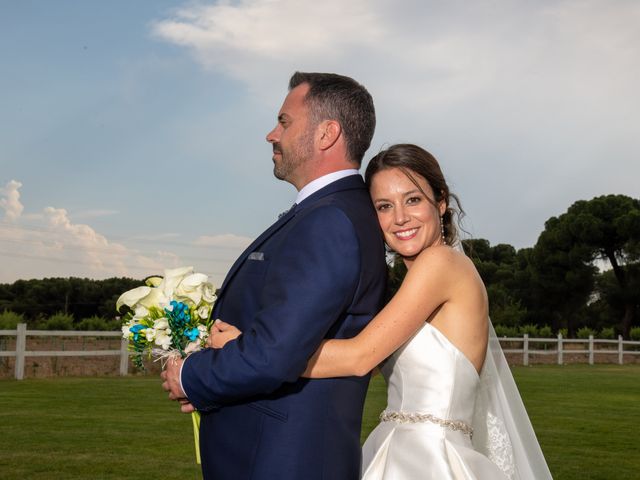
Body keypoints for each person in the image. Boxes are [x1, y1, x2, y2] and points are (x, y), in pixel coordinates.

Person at [211, 144, 553, 479]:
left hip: (428, 460)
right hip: (396, 450)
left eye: (413, 199)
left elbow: (359, 357)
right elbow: (367, 364)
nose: (400, 217)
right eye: (384, 206)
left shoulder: (441, 263)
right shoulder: (411, 285)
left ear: (442, 203)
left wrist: (251, 349)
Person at [160, 72, 388, 480]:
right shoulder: (327, 213)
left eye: (284, 122)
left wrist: (190, 376)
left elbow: (274, 353)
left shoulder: (329, 221)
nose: (271, 135)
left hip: (281, 462)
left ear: (326, 134)